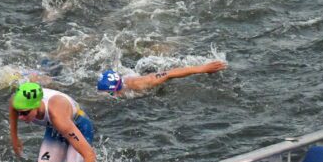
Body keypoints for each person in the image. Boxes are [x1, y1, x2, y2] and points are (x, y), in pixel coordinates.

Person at [97, 60, 227, 95]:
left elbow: (169, 73)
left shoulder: (140, 84)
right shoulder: (115, 87)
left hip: (149, 77)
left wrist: (202, 69)